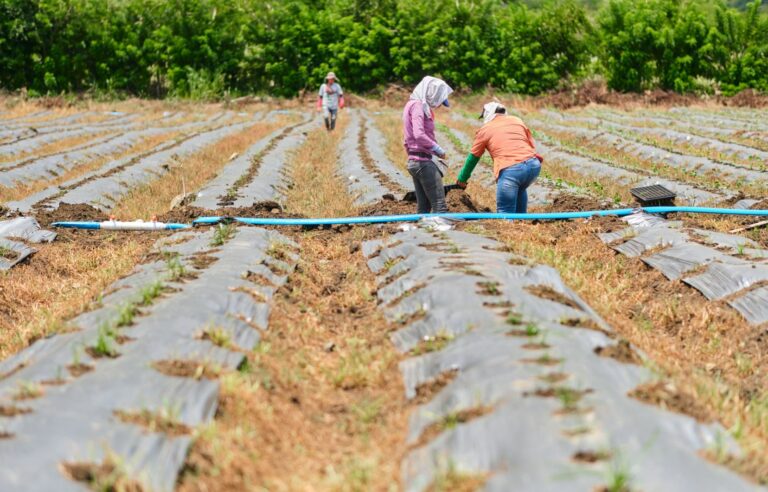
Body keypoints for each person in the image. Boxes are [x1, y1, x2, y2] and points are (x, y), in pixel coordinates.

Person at [456, 102, 543, 213]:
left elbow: (473, 157)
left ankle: (510, 225)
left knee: (505, 214)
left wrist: (462, 179)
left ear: (488, 114)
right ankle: (521, 221)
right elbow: (530, 143)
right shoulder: (517, 120)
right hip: (533, 166)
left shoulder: (485, 129)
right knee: (520, 188)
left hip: (512, 170)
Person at [402, 76, 453, 213]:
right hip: (423, 163)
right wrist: (437, 150)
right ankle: (441, 233)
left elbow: (407, 138)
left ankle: (422, 232)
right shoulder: (418, 106)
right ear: (432, 93)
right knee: (440, 206)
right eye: (439, 100)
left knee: (424, 208)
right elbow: (418, 134)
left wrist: (413, 155)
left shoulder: (410, 105)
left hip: (415, 161)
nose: (438, 105)